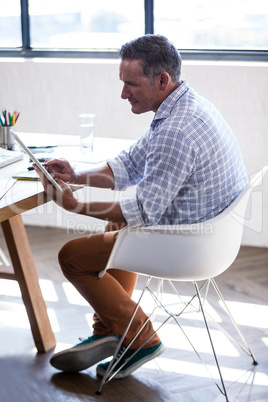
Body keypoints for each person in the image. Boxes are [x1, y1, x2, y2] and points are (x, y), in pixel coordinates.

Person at [34, 34, 248, 378]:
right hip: (210, 237)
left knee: (72, 257)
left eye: (131, 84)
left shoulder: (177, 130)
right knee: (117, 225)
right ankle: (110, 331)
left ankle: (139, 337)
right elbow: (130, 164)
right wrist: (76, 177)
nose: (123, 94)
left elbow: (143, 212)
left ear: (161, 80)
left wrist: (73, 206)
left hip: (188, 246)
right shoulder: (185, 105)